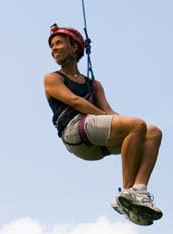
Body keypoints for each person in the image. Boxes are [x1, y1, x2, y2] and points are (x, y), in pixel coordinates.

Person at [43, 24, 163, 225]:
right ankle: (126, 194)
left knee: (152, 132)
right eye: (51, 45)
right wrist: (122, 124)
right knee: (136, 126)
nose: (53, 48)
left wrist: (125, 125)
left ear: (74, 48)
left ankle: (138, 191)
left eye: (58, 43)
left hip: (95, 141)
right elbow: (75, 102)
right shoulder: (52, 78)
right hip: (75, 131)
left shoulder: (94, 85)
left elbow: (109, 112)